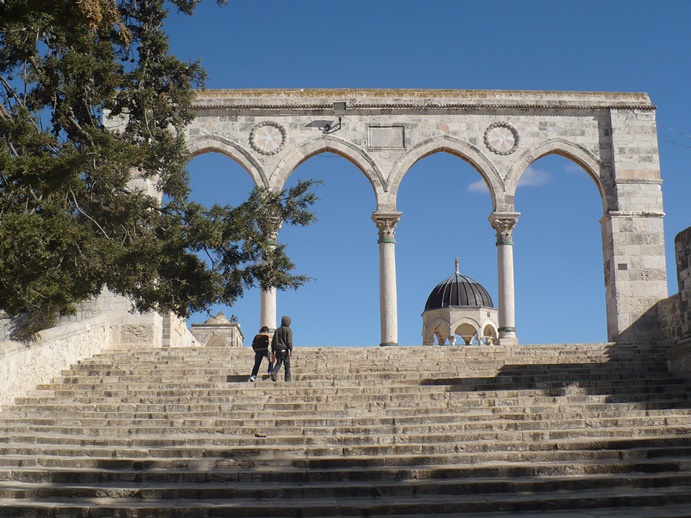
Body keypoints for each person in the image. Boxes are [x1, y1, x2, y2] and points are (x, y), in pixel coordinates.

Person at [270, 316, 293, 382]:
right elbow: (289, 341)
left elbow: (273, 340)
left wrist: (272, 350)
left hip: (277, 350)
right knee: (287, 365)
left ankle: (274, 372)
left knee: (278, 363)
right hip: (284, 350)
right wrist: (290, 350)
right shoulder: (288, 330)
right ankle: (287, 379)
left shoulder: (277, 330)